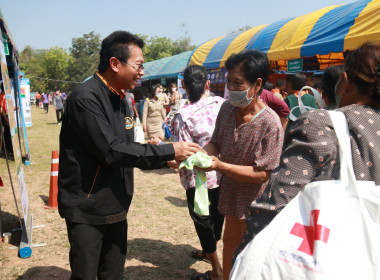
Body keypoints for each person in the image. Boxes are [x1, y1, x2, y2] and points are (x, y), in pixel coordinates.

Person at [58, 31, 200, 280]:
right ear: (115, 63)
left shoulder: (124, 99)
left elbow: (128, 148)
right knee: (85, 275)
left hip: (116, 203)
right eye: (139, 65)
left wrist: (163, 158)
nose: (142, 72)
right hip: (87, 207)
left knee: (113, 273)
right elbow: (111, 151)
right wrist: (170, 148)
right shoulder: (85, 98)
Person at [234, 43, 380, 271]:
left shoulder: (322, 126)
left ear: (344, 81)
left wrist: (243, 258)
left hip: (321, 263)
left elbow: (275, 204)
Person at [200, 50, 284, 280]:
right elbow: (216, 142)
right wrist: (199, 156)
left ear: (257, 85)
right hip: (232, 202)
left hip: (257, 207)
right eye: (229, 82)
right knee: (231, 255)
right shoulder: (227, 109)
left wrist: (220, 167)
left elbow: (262, 174)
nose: (231, 89)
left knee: (253, 262)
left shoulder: (270, 124)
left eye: (237, 83)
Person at [171, 65, 225, 280]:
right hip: (223, 172)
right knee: (218, 216)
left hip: (198, 179)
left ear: (183, 86)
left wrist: (168, 160)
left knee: (203, 221)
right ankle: (209, 251)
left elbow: (181, 152)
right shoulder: (223, 105)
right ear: (208, 84)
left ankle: (217, 271)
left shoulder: (183, 116)